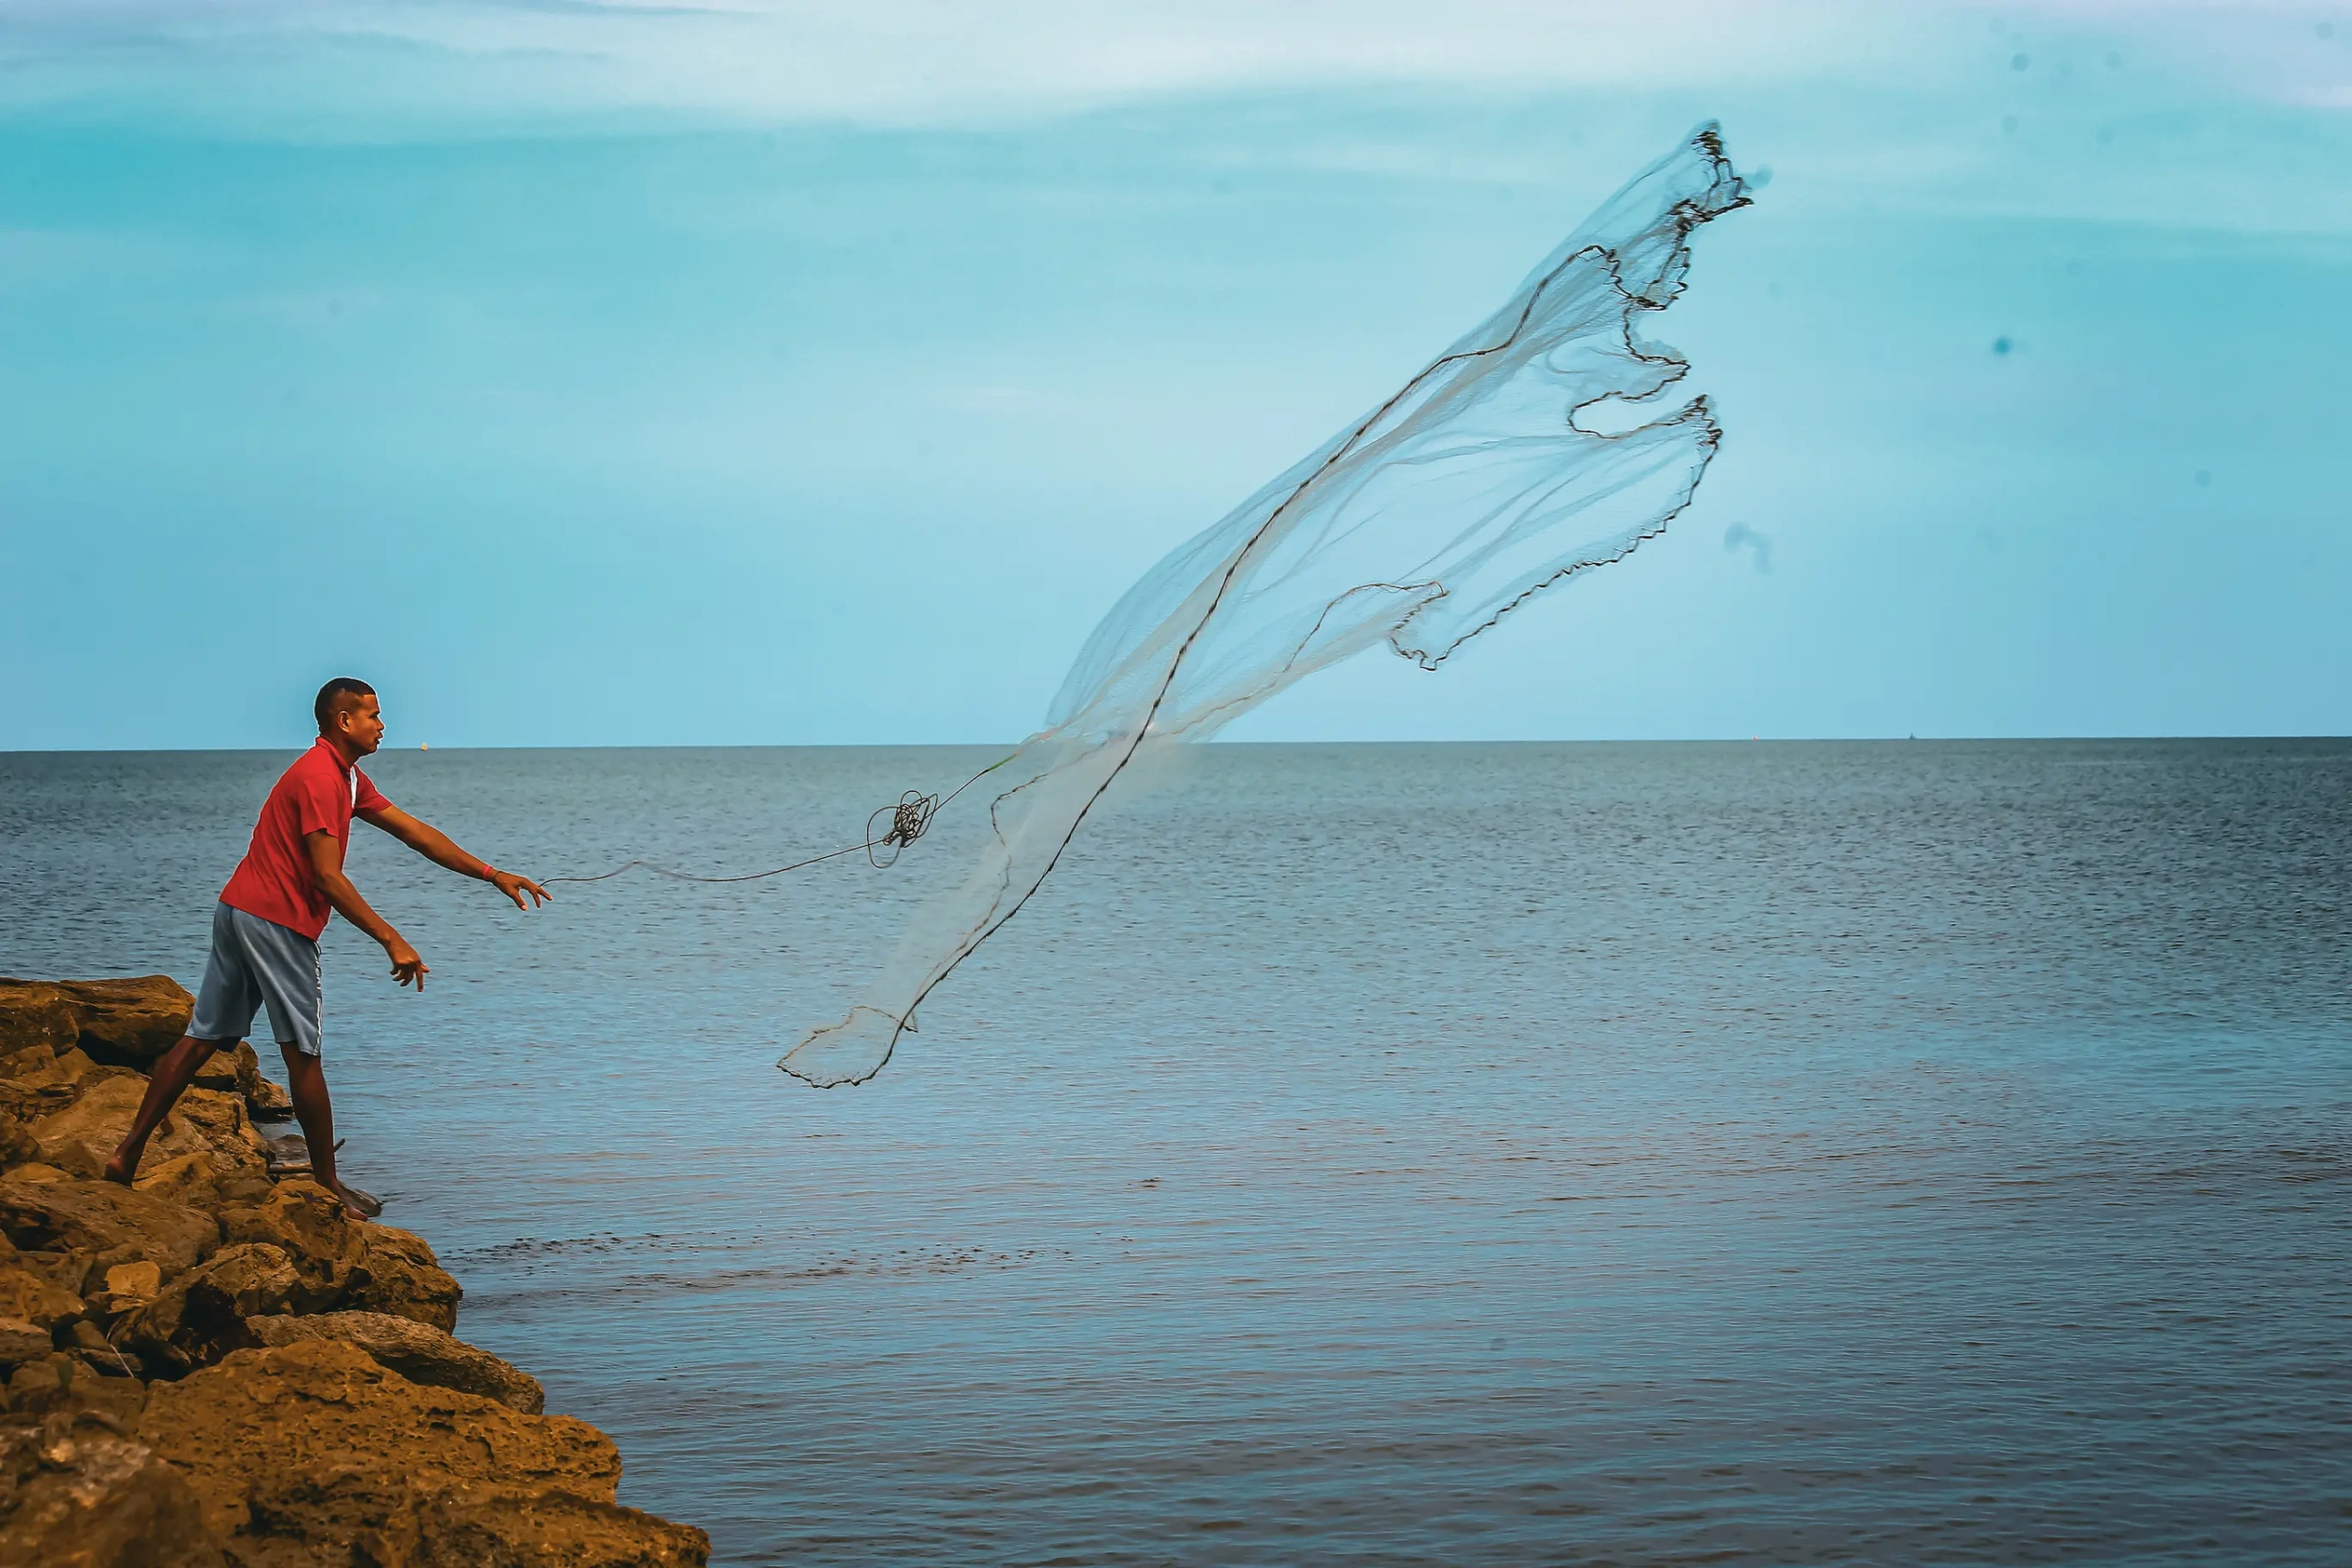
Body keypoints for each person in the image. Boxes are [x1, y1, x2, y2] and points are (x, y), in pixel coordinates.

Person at [103, 678, 548, 1219]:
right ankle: (326, 1183)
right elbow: (327, 879)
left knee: (203, 1038)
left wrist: (491, 873)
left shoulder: (348, 778)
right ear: (344, 721)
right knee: (304, 1055)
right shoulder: (319, 779)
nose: (383, 725)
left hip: (238, 909)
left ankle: (126, 1156)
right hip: (277, 923)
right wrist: (392, 939)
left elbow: (416, 832)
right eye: (373, 715)